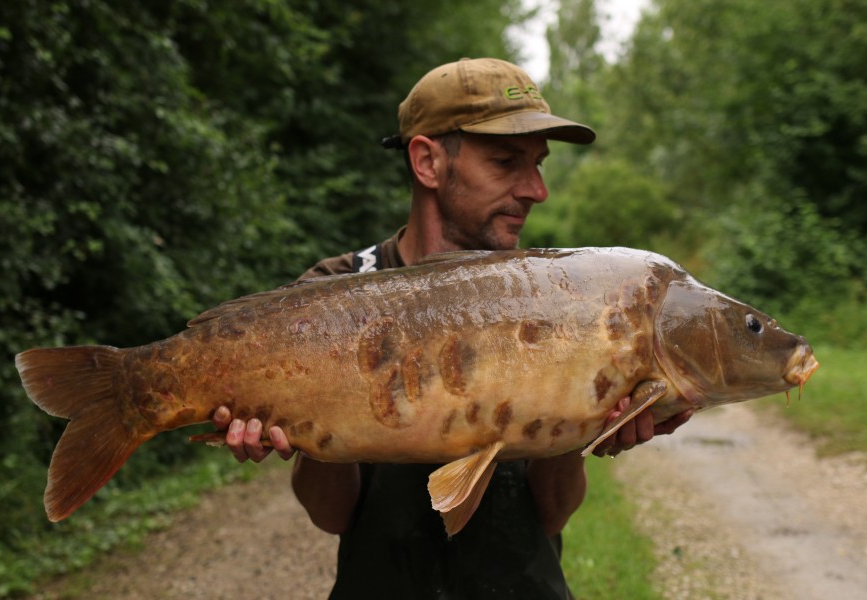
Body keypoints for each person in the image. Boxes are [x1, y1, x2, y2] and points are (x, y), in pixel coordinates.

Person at [212, 58, 691, 599]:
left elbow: (552, 517)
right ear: (427, 162)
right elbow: (331, 515)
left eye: (539, 165)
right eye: (507, 162)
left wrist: (587, 427)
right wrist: (291, 428)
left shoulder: (553, 296)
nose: (537, 190)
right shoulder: (335, 291)